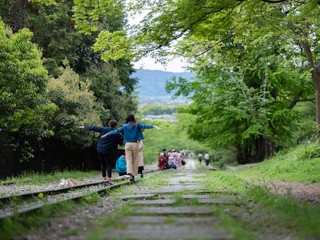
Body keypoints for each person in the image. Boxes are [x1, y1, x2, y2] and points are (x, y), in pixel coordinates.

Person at [102, 113, 161, 181]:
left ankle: (130, 173)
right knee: (135, 159)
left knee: (129, 159)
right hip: (135, 144)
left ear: (127, 119)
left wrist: (107, 134)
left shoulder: (125, 126)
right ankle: (133, 175)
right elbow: (145, 126)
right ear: (133, 118)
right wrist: (154, 126)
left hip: (127, 144)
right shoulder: (137, 125)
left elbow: (116, 131)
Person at [79, 120, 123, 184]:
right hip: (108, 150)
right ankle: (109, 179)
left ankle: (104, 178)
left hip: (100, 149)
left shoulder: (104, 129)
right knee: (108, 164)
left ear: (109, 124)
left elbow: (94, 128)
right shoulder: (116, 133)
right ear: (115, 126)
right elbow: (124, 137)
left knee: (102, 163)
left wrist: (84, 127)